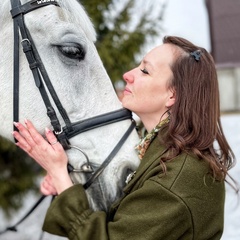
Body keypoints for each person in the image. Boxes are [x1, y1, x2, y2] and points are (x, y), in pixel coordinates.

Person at [13, 36, 236, 240]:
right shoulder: (151, 148)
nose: (128, 75)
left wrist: (59, 175)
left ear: (173, 95)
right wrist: (68, 185)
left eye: (145, 71)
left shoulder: (178, 180)